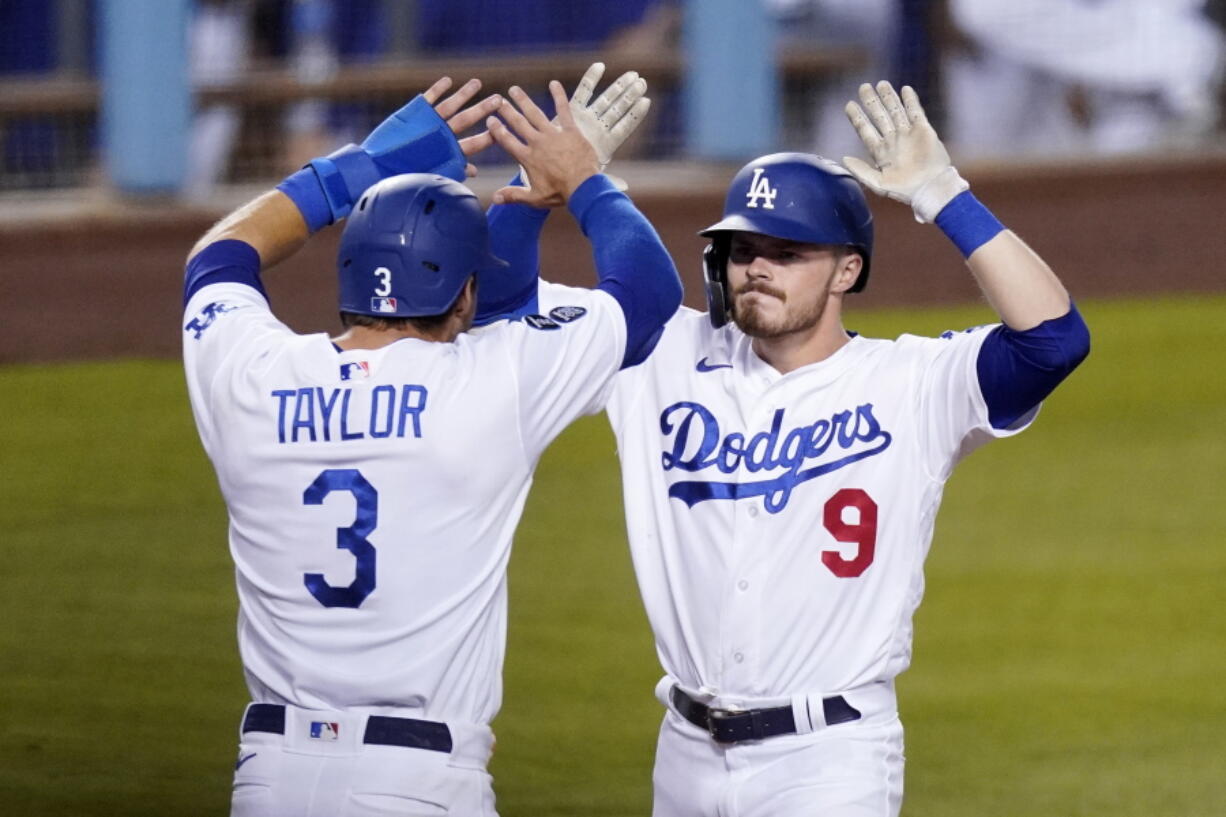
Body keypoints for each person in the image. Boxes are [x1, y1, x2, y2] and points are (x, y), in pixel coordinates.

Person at [488, 80, 1090, 815]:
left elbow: (1054, 342)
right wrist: (537, 183)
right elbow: (498, 307)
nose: (757, 266)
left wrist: (943, 194)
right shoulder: (655, 349)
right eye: (741, 248)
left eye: (787, 250)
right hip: (683, 750)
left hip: (829, 758)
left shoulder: (911, 383)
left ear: (847, 270)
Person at [180, 69, 680, 816]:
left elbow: (219, 257)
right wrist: (578, 183)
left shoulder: (249, 374)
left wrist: (358, 171)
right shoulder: (489, 386)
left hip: (270, 776)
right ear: (466, 295)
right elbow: (647, 296)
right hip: (412, 783)